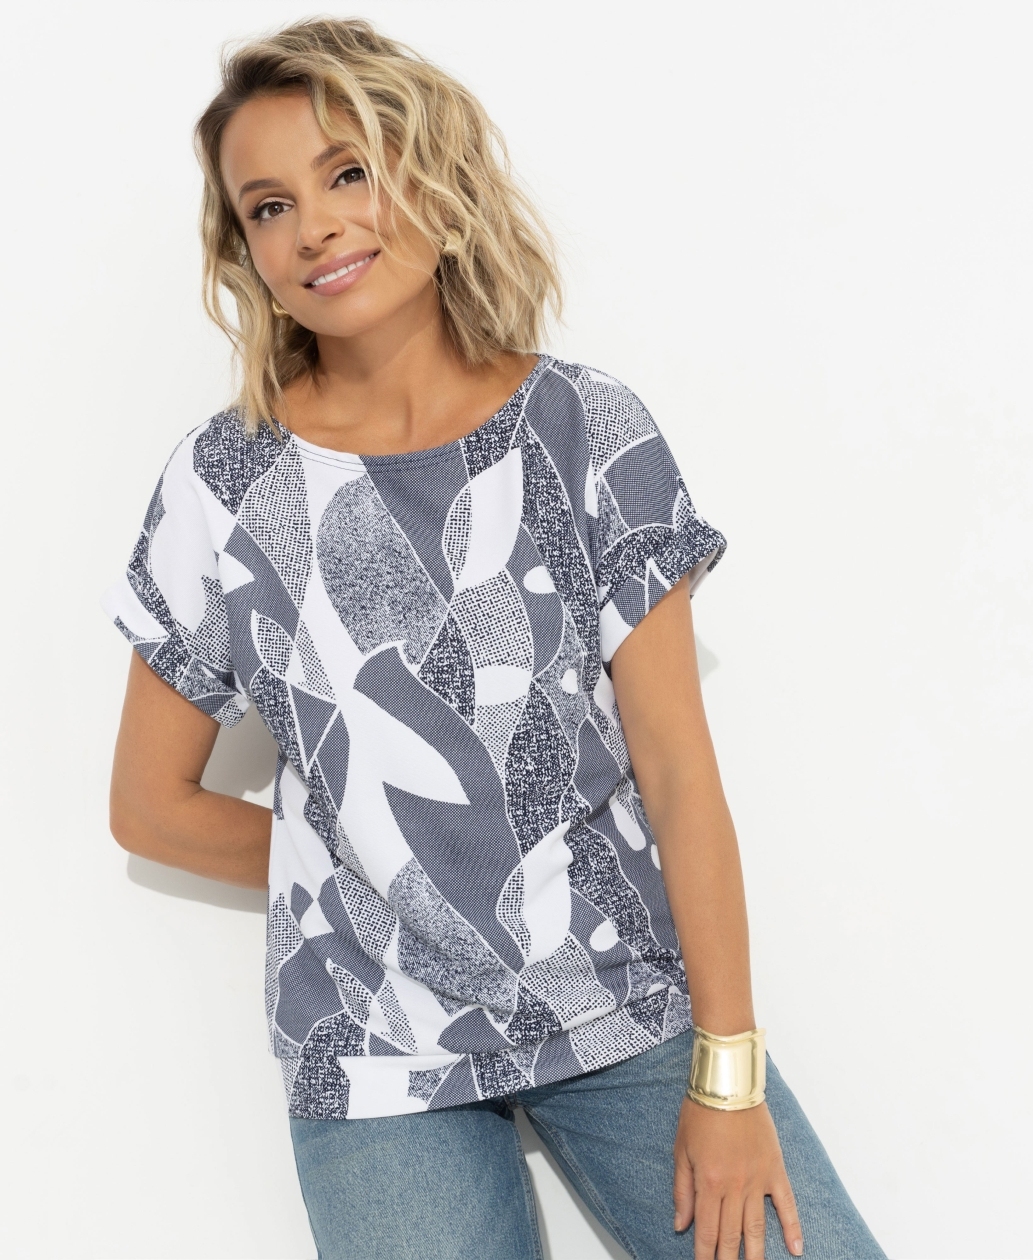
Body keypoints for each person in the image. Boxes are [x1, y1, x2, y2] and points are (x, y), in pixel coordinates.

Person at [105, 18, 886, 1260]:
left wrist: (728, 1076)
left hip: (620, 1001)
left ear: (434, 176)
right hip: (372, 1055)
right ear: (245, 250)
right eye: (269, 206)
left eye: (349, 172)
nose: (315, 227)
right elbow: (151, 807)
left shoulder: (585, 429)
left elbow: (678, 770)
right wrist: (381, 876)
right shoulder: (224, 482)